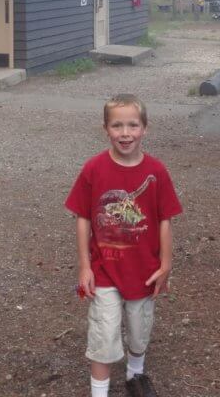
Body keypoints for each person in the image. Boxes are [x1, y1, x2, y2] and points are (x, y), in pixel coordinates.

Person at [65, 94, 183, 397]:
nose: (125, 133)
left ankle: (135, 378)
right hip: (104, 270)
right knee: (103, 335)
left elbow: (164, 220)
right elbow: (82, 218)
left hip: (144, 271)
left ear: (145, 128)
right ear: (106, 128)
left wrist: (166, 265)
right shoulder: (94, 169)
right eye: (117, 125)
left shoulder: (156, 172)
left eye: (133, 125)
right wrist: (84, 266)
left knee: (138, 330)